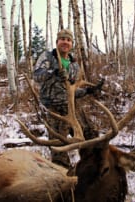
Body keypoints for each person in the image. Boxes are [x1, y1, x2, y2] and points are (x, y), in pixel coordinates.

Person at [33, 29, 104, 168]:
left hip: (71, 106)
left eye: (68, 40)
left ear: (72, 43)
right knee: (59, 144)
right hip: (54, 108)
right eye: (62, 39)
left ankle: (91, 167)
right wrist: (52, 72)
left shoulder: (74, 64)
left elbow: (72, 90)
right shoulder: (48, 57)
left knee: (90, 135)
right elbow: (37, 75)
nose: (65, 42)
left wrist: (89, 90)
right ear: (57, 42)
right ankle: (62, 175)